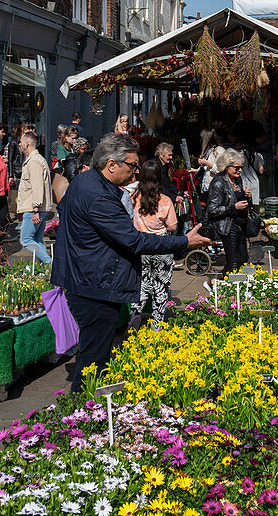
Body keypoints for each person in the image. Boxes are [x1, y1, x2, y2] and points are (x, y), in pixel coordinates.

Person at [52, 134, 209, 390]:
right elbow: (134, 241)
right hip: (95, 284)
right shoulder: (99, 195)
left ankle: (89, 406)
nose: (135, 171)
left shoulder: (85, 181)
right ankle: (83, 409)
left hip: (88, 276)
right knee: (94, 357)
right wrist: (183, 242)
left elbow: (65, 213)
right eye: (132, 165)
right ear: (111, 164)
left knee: (94, 351)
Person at [130, 160, 178, 328]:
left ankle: (134, 319)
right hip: (161, 247)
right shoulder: (165, 201)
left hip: (140, 246)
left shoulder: (133, 198)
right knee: (161, 287)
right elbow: (172, 226)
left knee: (141, 285)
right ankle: (156, 326)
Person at [206, 149, 252, 274]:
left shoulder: (237, 179)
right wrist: (234, 207)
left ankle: (225, 284)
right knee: (234, 263)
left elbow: (238, 198)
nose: (240, 170)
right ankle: (218, 286)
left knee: (243, 259)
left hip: (240, 225)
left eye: (241, 167)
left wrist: (247, 196)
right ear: (226, 166)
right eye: (237, 168)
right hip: (227, 226)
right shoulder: (218, 182)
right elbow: (212, 210)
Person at [17, 130, 54, 266]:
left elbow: (37, 186)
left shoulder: (34, 162)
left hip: (34, 208)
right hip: (36, 208)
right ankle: (45, 271)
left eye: (21, 142)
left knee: (26, 240)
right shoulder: (34, 160)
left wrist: (35, 209)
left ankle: (50, 264)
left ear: (27, 144)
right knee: (37, 240)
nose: (19, 144)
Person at [155, 142, 183, 208]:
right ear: (161, 154)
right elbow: (159, 187)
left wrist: (180, 192)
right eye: (169, 155)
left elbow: (168, 184)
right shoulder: (155, 166)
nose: (171, 157)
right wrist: (173, 197)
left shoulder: (165, 166)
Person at [197, 128, 224, 193]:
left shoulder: (219, 150)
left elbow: (221, 170)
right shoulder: (207, 151)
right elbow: (206, 170)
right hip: (207, 186)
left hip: (216, 187)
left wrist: (206, 163)